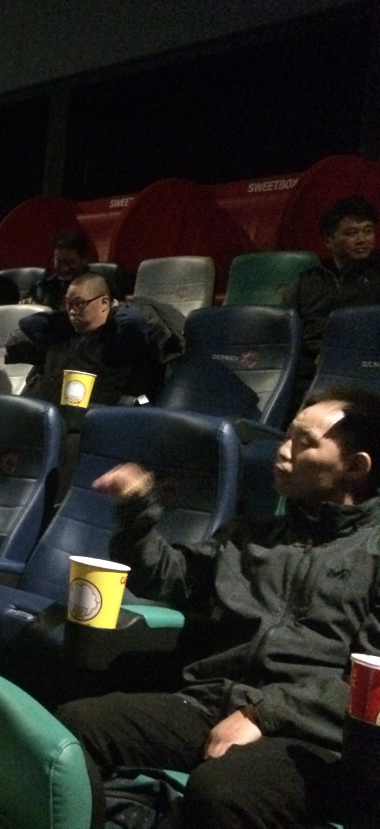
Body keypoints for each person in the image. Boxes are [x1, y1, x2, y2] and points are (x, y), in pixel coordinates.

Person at [56, 385, 380, 829]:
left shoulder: (373, 554)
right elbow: (169, 578)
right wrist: (138, 510)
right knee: (76, 727)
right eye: (287, 436)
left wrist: (263, 713)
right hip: (214, 701)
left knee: (222, 792)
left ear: (355, 468)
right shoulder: (252, 534)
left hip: (312, 737)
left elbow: (369, 682)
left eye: (305, 443)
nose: (283, 450)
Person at [4, 272, 157, 424]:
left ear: (104, 303)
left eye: (79, 304)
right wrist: (67, 317)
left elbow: (133, 323)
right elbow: (28, 323)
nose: (72, 311)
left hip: (89, 423)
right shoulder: (63, 334)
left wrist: (115, 308)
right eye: (68, 304)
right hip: (44, 417)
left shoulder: (117, 338)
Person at [287, 195, 380, 396]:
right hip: (309, 371)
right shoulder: (308, 281)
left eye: (368, 231)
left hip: (364, 368)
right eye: (351, 233)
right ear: (329, 240)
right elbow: (286, 331)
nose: (362, 239)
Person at [25, 229, 98, 309]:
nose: (64, 268)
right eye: (59, 262)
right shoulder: (42, 289)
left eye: (69, 263)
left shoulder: (98, 288)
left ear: (84, 260)